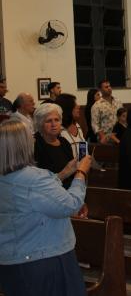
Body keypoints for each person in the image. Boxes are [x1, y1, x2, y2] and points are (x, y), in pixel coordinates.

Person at [0, 119, 92, 296]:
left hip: (10, 259)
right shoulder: (35, 179)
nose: (34, 141)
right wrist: (81, 173)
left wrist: (64, 173)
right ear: (23, 145)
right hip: (45, 258)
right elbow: (70, 204)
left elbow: (32, 196)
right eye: (30, 138)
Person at [33, 103, 77, 190]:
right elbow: (37, 182)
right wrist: (64, 173)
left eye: (57, 120)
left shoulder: (64, 142)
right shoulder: (35, 144)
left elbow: (72, 173)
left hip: (69, 191)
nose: (54, 124)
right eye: (49, 121)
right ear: (40, 124)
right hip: (49, 193)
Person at [91, 79, 122, 144]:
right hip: (106, 139)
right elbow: (95, 124)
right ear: (100, 90)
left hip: (120, 136)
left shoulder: (118, 101)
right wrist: (102, 137)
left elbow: (123, 117)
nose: (109, 88)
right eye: (106, 87)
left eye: (109, 86)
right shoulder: (97, 105)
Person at [56, 93, 85, 159]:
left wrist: (84, 163)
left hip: (82, 168)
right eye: (75, 104)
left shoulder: (77, 126)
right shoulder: (58, 130)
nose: (78, 106)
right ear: (67, 108)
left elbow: (83, 153)